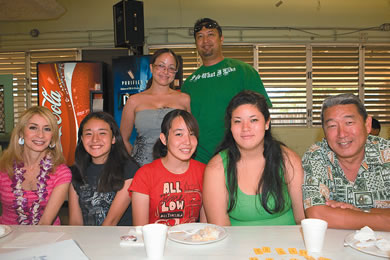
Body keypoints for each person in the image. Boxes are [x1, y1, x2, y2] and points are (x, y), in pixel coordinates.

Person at [203, 90, 305, 226]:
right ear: (231, 127)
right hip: (236, 246)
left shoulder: (288, 159)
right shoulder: (216, 168)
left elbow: (303, 219)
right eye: (238, 121)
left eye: (254, 120)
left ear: (267, 123)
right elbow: (221, 228)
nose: (246, 128)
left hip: (286, 245)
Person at [181, 18, 272, 164]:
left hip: (239, 159)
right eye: (200, 36)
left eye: (211, 34)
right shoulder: (189, 83)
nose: (205, 40)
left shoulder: (243, 71)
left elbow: (262, 114)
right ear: (196, 43)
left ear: (221, 38)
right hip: (200, 161)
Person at [302, 93, 390, 231]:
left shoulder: (387, 154)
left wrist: (360, 213)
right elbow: (317, 215)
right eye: (332, 126)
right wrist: (382, 219)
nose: (342, 134)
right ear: (324, 131)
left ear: (367, 124)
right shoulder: (317, 155)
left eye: (349, 123)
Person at [129, 109, 206, 226]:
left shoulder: (205, 172)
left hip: (190, 242)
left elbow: (206, 228)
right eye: (179, 134)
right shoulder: (145, 174)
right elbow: (140, 230)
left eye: (192, 134)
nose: (187, 141)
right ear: (164, 139)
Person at [0, 106, 71, 225]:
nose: (40, 135)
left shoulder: (61, 172)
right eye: (33, 128)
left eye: (47, 129)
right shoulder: (3, 168)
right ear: (21, 133)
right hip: (8, 239)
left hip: (46, 238)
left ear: (53, 136)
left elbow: (45, 222)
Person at [120, 48, 191, 166]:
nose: (166, 71)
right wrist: (130, 166)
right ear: (152, 68)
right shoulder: (134, 101)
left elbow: (190, 136)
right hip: (141, 167)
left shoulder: (184, 99)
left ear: (175, 72)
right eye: (161, 66)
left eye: (171, 68)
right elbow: (123, 139)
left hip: (175, 167)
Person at [68, 112, 139, 226]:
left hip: (118, 239)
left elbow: (111, 222)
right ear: (81, 139)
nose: (95, 139)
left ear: (113, 139)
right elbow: (75, 222)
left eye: (102, 133)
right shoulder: (76, 171)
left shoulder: (129, 169)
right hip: (86, 239)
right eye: (88, 134)